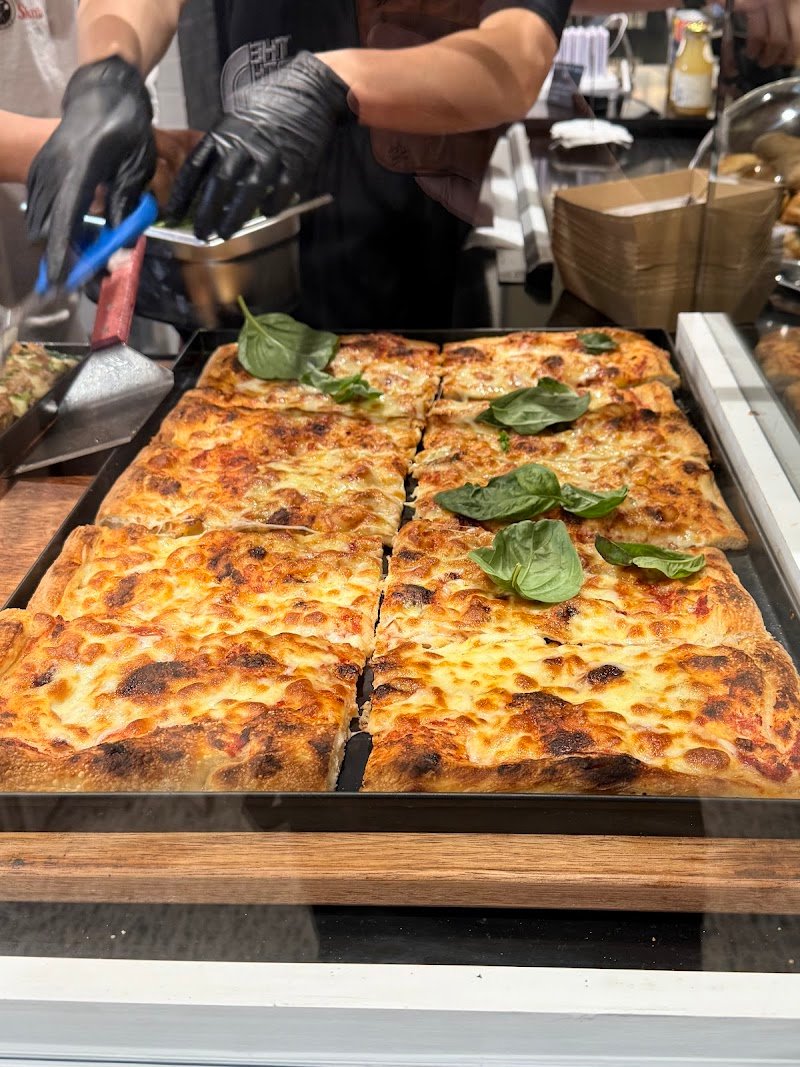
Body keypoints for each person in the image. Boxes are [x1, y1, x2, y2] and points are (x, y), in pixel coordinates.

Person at [25, 0, 800, 330]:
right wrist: (107, 73)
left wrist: (332, 80)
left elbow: (515, 51)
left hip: (407, 289)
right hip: (243, 294)